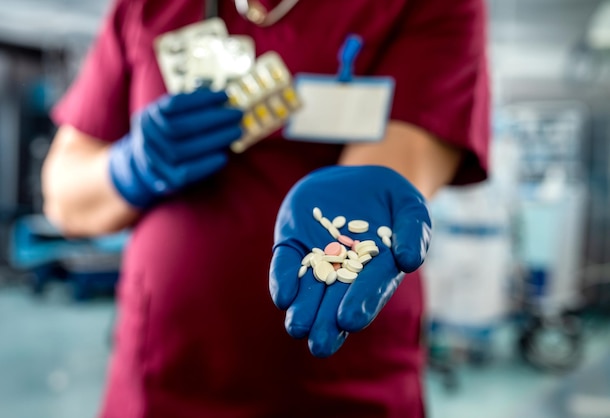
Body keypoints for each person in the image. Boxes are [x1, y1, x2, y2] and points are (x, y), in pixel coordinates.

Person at [41, 0, 490, 417]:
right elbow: (63, 195)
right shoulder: (147, 7)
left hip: (341, 378)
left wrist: (361, 200)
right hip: (162, 372)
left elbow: (404, 158)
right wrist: (132, 167)